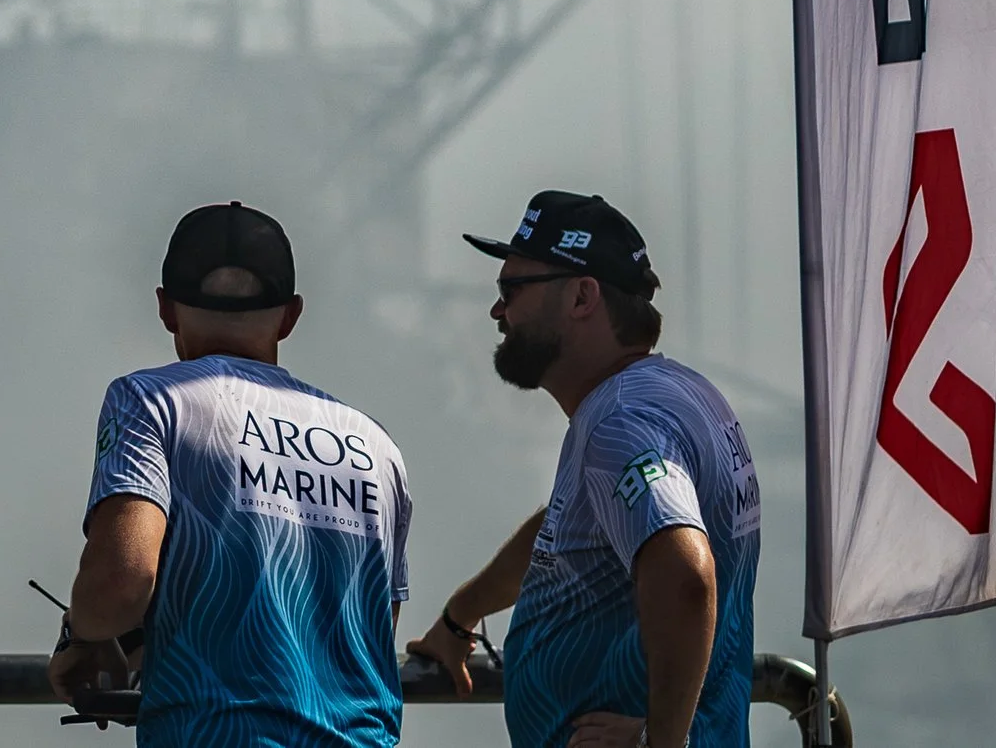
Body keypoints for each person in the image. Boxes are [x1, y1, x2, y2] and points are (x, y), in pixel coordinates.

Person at [50, 201, 413, 747]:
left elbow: (120, 581)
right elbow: (372, 628)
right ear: (290, 316)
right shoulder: (376, 445)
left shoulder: (149, 400)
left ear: (166, 309)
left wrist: (82, 639)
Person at [407, 191, 761, 748]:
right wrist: (461, 617)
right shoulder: (679, 394)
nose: (498, 312)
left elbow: (687, 574)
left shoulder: (620, 422)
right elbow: (574, 531)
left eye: (512, 290)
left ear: (582, 295)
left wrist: (660, 743)